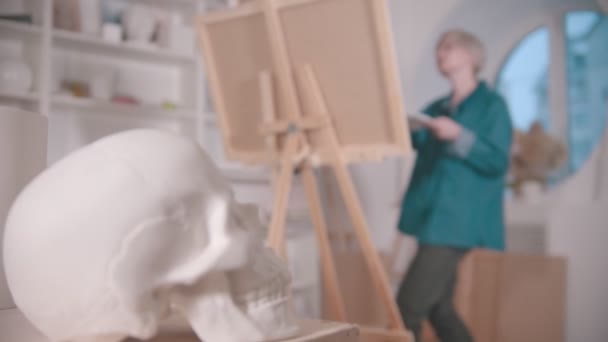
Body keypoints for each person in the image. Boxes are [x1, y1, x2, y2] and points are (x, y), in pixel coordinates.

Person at [396, 30, 513, 342]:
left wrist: (458, 136)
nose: (440, 54)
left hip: (457, 222)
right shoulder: (437, 107)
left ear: (470, 56)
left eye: (447, 48)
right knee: (439, 307)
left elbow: (498, 161)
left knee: (407, 308)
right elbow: (416, 140)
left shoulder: (492, 106)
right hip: (431, 218)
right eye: (438, 49)